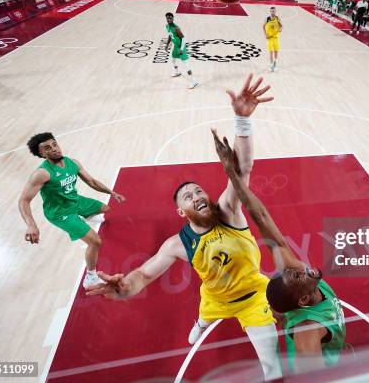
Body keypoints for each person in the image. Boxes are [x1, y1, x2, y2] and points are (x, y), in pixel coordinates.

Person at [86, 75, 283, 381]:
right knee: (204, 319)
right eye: (188, 197)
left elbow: (242, 170)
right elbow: (143, 275)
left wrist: (242, 121)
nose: (198, 196)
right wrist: (124, 288)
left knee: (274, 370)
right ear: (182, 211)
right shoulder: (177, 244)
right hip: (215, 299)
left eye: (199, 191)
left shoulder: (229, 211)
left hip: (254, 297)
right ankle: (201, 324)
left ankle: (214, 325)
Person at [211, 130, 346, 374]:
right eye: (297, 276)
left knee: (281, 312)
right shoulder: (307, 332)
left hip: (304, 320)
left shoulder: (302, 281)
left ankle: (286, 319)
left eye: (294, 271)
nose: (299, 268)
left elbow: (261, 216)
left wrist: (231, 173)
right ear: (303, 300)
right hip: (322, 365)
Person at [18, 133, 126, 289]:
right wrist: (31, 225)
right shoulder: (42, 174)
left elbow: (91, 181)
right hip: (60, 213)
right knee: (95, 241)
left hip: (75, 201)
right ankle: (90, 277)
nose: (54, 149)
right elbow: (23, 200)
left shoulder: (72, 163)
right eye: (48, 148)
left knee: (105, 208)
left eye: (54, 144)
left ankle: (84, 218)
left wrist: (111, 192)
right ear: (41, 154)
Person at [165, 12, 198, 89]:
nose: (169, 19)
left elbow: (183, 38)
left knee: (186, 66)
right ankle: (177, 72)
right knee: (173, 61)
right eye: (167, 18)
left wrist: (181, 49)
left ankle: (194, 82)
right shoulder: (167, 26)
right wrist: (167, 44)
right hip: (176, 47)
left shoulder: (176, 28)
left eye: (170, 18)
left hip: (181, 47)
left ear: (173, 18)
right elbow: (170, 35)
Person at [264, 7, 282, 72]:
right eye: (271, 11)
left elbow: (281, 25)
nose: (272, 12)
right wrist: (265, 34)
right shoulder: (267, 19)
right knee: (271, 52)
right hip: (270, 38)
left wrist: (280, 29)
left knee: (276, 52)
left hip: (276, 38)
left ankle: (275, 65)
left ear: (275, 11)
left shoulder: (277, 18)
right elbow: (263, 26)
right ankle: (271, 66)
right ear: (270, 11)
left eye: (274, 11)